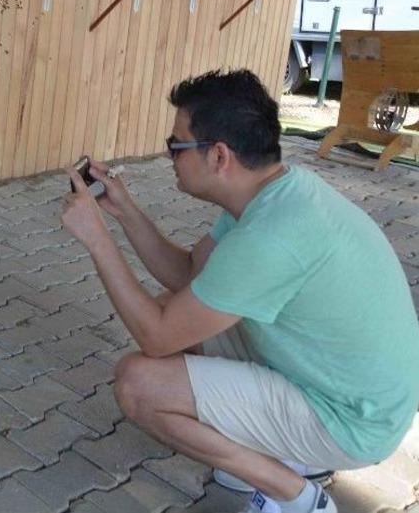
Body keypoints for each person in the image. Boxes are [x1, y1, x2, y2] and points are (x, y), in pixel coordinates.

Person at [60, 69, 419, 513]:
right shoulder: (275, 192)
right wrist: (124, 211)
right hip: (348, 388)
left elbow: (156, 337)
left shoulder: (271, 237)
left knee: (138, 384)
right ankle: (274, 446)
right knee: (176, 307)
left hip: (351, 423)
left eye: (176, 146)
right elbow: (188, 273)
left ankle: (295, 493)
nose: (168, 155)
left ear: (219, 156)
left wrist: (97, 240)